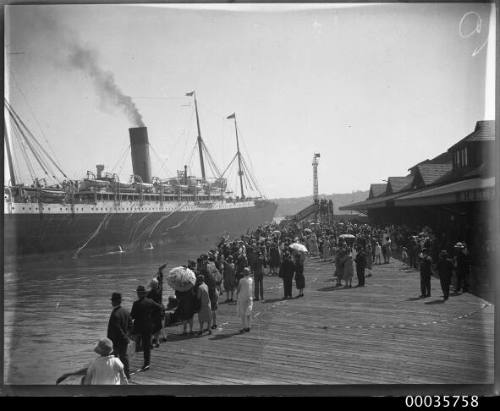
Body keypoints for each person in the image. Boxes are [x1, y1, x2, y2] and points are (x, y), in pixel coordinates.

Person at [56, 338, 128, 385]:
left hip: (98, 392)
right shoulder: (117, 361)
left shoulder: (94, 363)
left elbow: (87, 380)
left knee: (84, 378)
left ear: (99, 351)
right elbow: (124, 378)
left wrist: (68, 374)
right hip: (114, 391)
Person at [130, 285, 163, 371]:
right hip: (148, 326)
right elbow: (160, 308)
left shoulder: (136, 304)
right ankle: (146, 363)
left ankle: (133, 360)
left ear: (138, 294)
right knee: (146, 345)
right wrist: (152, 316)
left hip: (138, 327)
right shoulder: (150, 301)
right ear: (145, 293)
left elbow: (132, 316)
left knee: (136, 343)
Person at [107, 292, 132, 380]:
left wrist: (124, 338)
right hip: (123, 340)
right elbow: (130, 326)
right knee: (124, 358)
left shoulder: (115, 314)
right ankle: (127, 375)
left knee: (113, 359)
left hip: (116, 342)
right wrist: (127, 337)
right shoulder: (126, 311)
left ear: (115, 301)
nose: (111, 302)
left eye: (112, 300)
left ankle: (116, 377)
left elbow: (117, 330)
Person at [147, 279, 164, 347]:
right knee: (158, 327)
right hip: (158, 311)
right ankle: (157, 341)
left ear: (151, 285)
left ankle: (151, 342)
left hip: (152, 312)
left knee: (151, 328)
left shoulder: (149, 293)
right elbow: (160, 285)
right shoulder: (159, 292)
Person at [236, 267, 253, 333]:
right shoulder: (251, 279)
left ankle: (243, 327)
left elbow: (238, 289)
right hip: (249, 297)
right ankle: (248, 326)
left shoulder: (241, 280)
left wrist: (236, 295)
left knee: (242, 313)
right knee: (248, 313)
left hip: (242, 297)